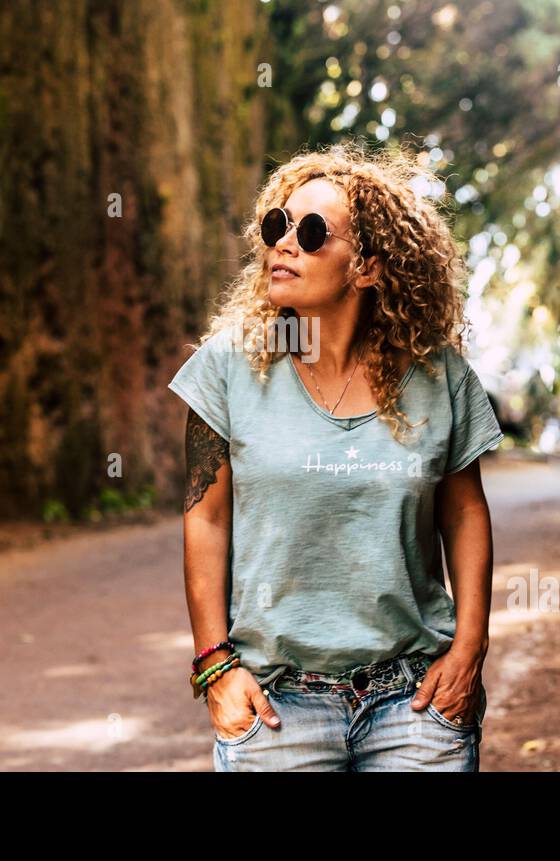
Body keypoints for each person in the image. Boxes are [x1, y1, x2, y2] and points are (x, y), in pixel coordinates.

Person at [168, 141, 503, 771]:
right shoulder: (228, 367)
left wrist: (469, 649)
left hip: (414, 702)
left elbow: (464, 515)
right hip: (275, 705)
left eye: (313, 231)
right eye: (277, 226)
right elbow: (205, 517)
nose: (285, 243)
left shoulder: (440, 378)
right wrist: (213, 664)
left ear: (369, 267)